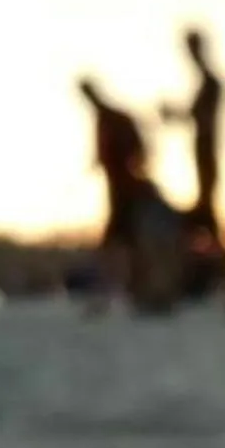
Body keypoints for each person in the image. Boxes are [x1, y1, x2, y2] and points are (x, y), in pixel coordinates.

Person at [77, 76, 168, 314]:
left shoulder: (116, 118)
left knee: (127, 244)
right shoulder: (105, 120)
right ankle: (130, 291)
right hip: (117, 192)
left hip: (126, 193)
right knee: (123, 244)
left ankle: (137, 291)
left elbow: (139, 152)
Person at [161, 28, 225, 238]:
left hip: (207, 147)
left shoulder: (211, 82)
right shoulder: (207, 82)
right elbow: (194, 116)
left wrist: (175, 114)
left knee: (206, 202)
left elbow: (200, 117)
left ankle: (214, 249)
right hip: (202, 147)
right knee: (205, 199)